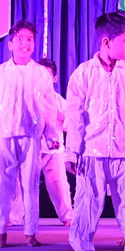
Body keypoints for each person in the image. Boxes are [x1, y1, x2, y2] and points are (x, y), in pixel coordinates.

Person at [64, 10, 125, 251]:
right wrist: (72, 152)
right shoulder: (83, 73)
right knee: (86, 205)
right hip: (92, 152)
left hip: (124, 152)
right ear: (106, 42)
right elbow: (75, 117)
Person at [0, 22, 61, 248]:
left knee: (30, 184)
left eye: (29, 39)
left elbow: (49, 107)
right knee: (3, 184)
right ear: (11, 44)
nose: (24, 44)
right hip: (5, 135)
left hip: (31, 136)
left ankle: (31, 232)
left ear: (34, 44)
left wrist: (51, 134)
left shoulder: (41, 73)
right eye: (20, 39)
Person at [37, 58, 75, 226]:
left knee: (59, 184)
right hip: (32, 148)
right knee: (20, 185)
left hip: (54, 150)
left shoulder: (59, 101)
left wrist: (60, 117)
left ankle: (67, 216)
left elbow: (71, 125)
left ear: (54, 78)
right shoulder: (28, 97)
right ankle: (13, 216)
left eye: (47, 75)